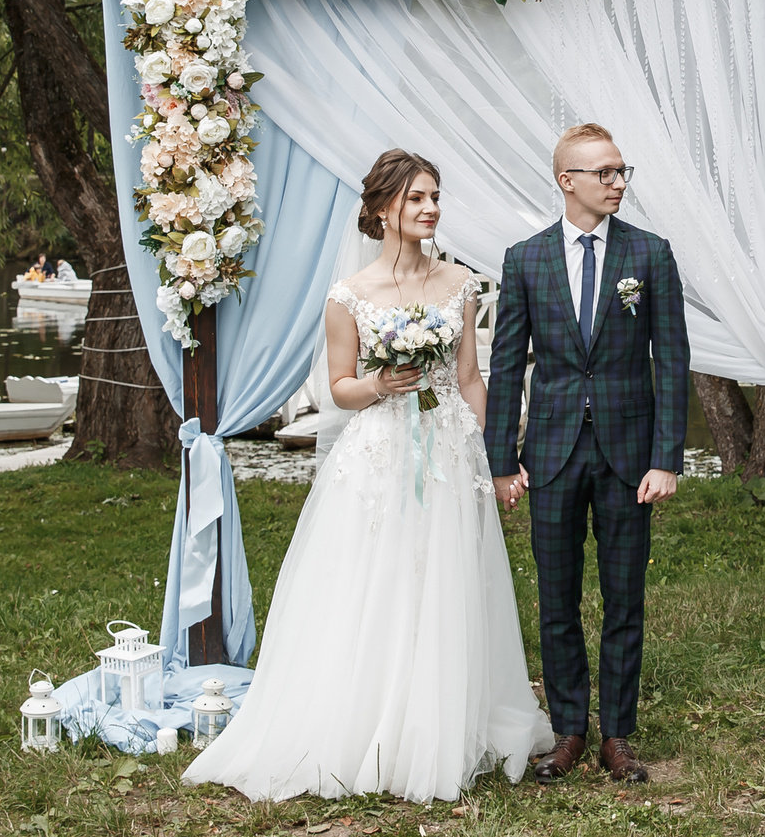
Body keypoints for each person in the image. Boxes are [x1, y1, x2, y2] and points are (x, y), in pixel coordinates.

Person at [184, 150, 550, 802]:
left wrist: (500, 458)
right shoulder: (348, 295)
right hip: (380, 450)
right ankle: (369, 719)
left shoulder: (460, 283)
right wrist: (381, 382)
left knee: (446, 581)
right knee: (376, 579)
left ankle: (441, 718)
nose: (431, 208)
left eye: (435, 196)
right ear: (384, 209)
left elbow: (469, 378)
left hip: (447, 448)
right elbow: (340, 389)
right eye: (416, 198)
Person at [485, 122, 691, 783]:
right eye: (604, 171)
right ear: (565, 179)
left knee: (624, 596)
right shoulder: (525, 259)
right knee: (557, 597)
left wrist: (666, 457)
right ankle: (570, 728)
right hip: (549, 452)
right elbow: (508, 363)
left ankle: (619, 735)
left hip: (631, 454)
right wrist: (500, 459)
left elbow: (673, 360)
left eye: (622, 170)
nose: (618, 181)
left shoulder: (651, 255)